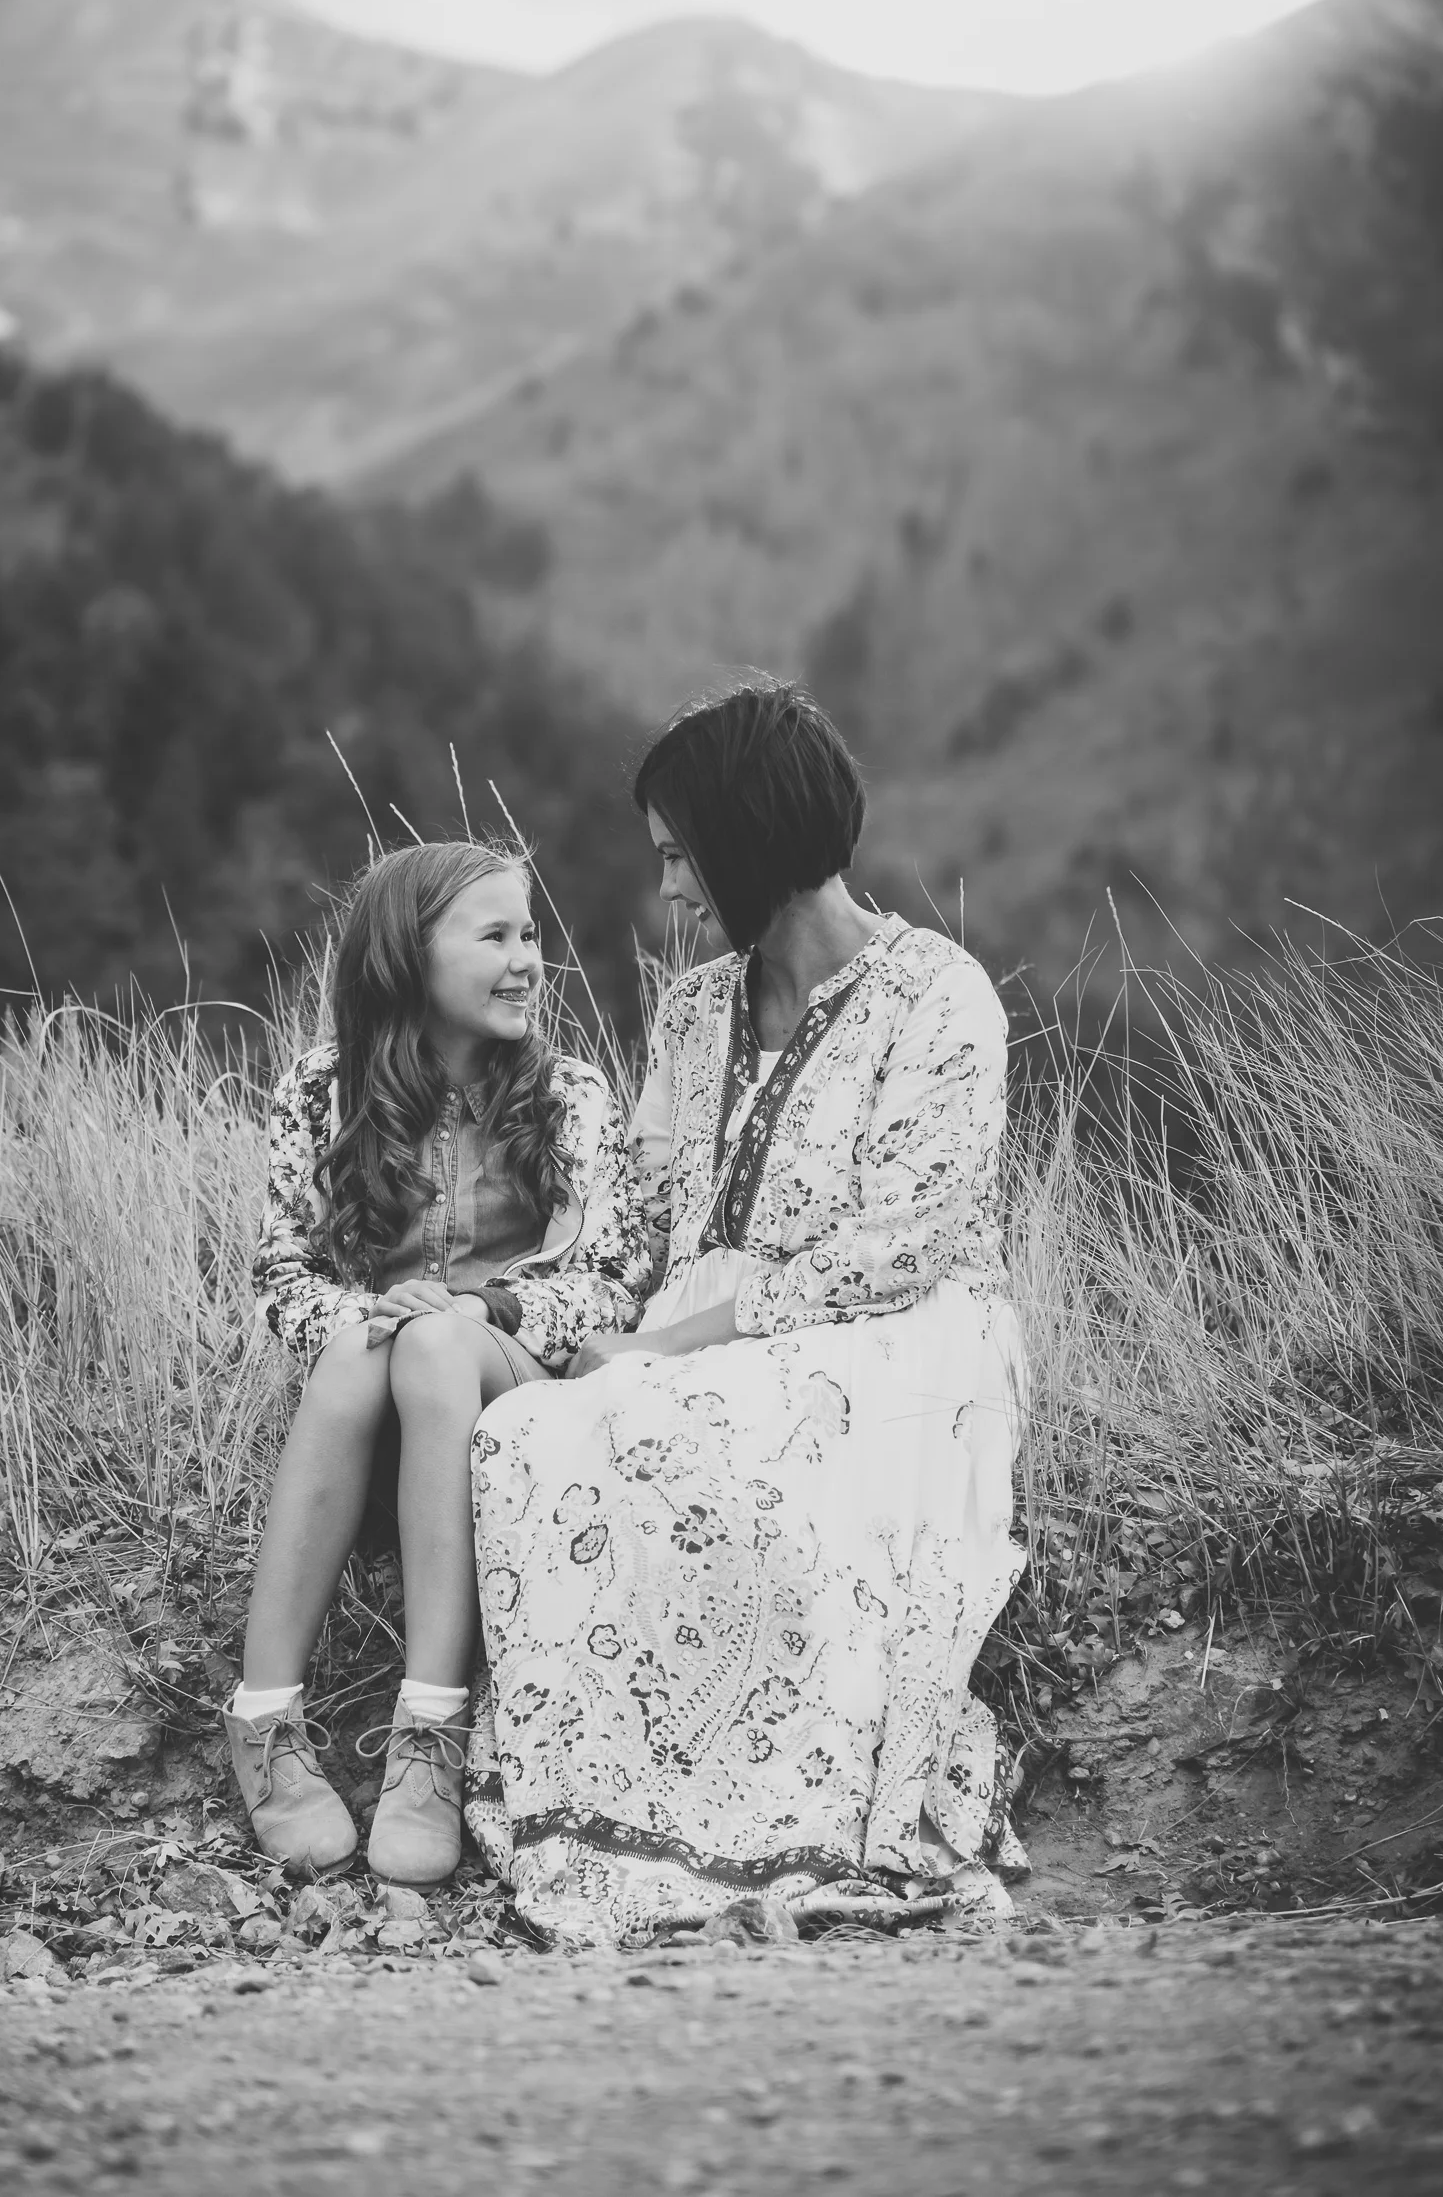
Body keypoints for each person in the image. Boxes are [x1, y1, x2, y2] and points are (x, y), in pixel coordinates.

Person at [466, 681, 1027, 1944]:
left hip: (896, 1347)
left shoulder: (940, 997)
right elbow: (634, 1229)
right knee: (525, 1436)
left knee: (689, 1431)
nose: (667, 889)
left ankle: (772, 1824)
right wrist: (506, 1305)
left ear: (751, 838)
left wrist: (660, 1348)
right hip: (697, 1337)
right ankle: (600, 1810)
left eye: (681, 854)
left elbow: (893, 1253)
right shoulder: (693, 1007)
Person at [226, 840, 644, 1885]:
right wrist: (373, 1314)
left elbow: (614, 1279)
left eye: (530, 934)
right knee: (366, 1349)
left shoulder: (571, 1095)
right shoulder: (322, 1090)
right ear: (408, 957)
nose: (527, 960)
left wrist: (479, 1305)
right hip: (372, 1403)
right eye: (493, 936)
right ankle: (264, 1721)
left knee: (437, 1341)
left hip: (516, 1390)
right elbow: (281, 1272)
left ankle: (430, 1734)